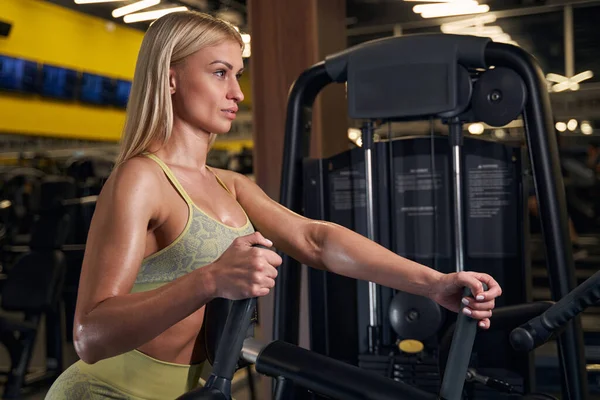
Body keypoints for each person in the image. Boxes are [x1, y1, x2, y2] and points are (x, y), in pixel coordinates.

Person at [46, 11, 502, 399]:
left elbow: (315, 240)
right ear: (170, 77)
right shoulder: (141, 178)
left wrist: (433, 283)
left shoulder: (230, 185)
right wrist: (210, 279)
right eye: (220, 72)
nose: (237, 94)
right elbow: (90, 335)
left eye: (237, 76)